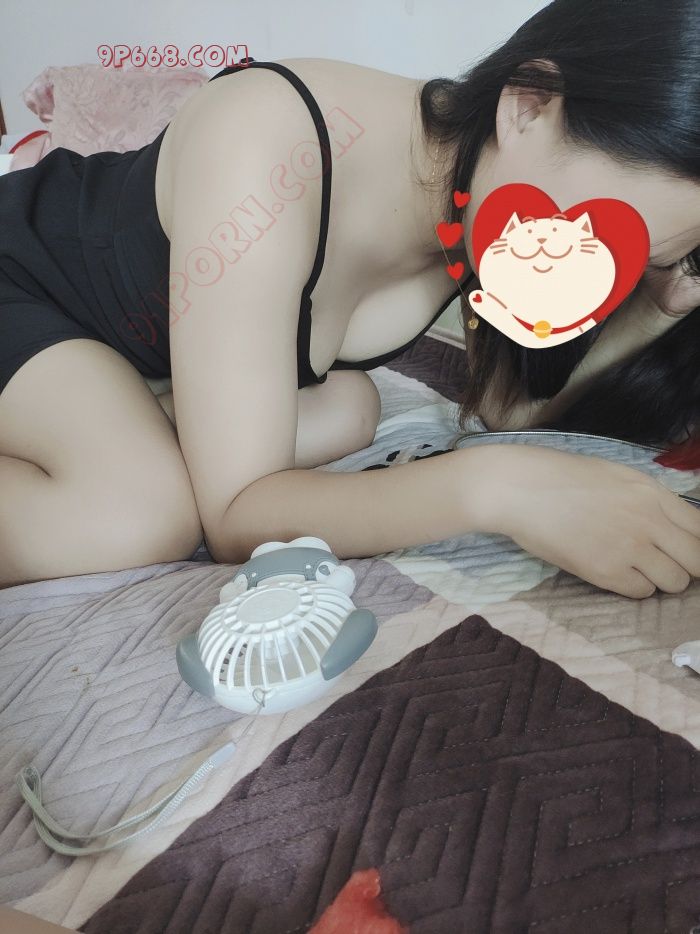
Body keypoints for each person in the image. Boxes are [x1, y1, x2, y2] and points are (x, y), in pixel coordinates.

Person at [0, 0, 698, 598]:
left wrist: (661, 303)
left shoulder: (481, 202)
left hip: (110, 356)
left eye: (642, 263)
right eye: (608, 242)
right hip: (20, 279)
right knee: (142, 512)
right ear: (530, 105)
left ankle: (137, 421)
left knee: (348, 409)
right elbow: (237, 517)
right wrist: (498, 488)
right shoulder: (269, 140)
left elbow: (504, 409)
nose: (596, 280)